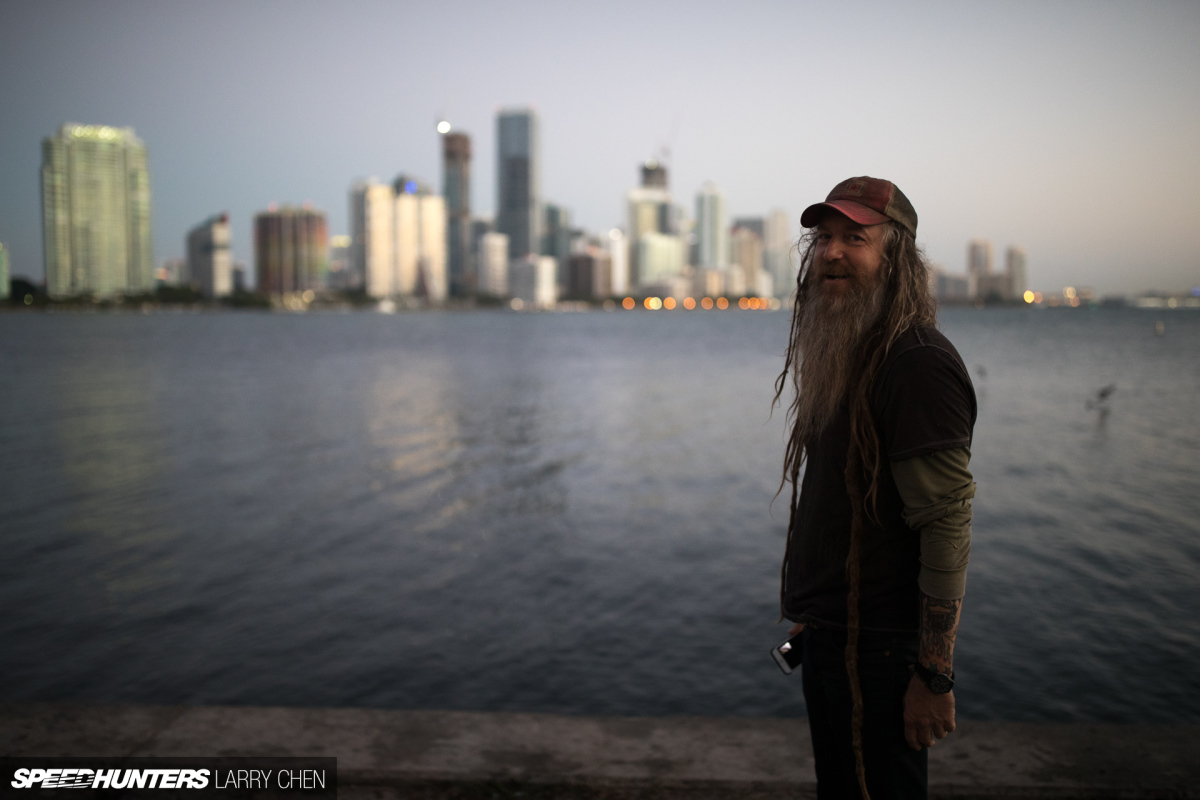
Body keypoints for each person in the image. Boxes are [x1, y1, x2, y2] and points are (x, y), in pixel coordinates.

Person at [773, 177, 976, 799]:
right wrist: (815, 611)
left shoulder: (915, 363)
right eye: (824, 238)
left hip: (882, 654)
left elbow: (946, 521)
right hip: (834, 637)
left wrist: (934, 675)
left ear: (898, 259)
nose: (832, 252)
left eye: (854, 238)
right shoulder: (849, 351)